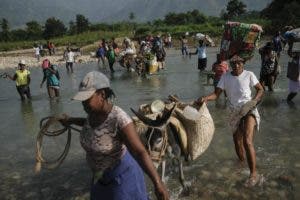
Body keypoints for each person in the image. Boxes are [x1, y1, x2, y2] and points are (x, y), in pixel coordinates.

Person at [59, 71, 169, 200]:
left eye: (87, 99)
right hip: (99, 179)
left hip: (122, 179)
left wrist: (158, 184)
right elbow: (92, 126)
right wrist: (70, 120)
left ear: (102, 94)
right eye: (82, 100)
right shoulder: (92, 114)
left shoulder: (119, 118)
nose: (83, 103)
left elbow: (140, 152)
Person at [197, 55, 264, 187]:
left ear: (243, 63)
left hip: (248, 108)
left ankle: (253, 174)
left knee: (247, 140)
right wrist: (205, 98)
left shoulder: (249, 74)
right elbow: (216, 94)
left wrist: (254, 101)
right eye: (234, 63)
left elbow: (260, 89)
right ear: (230, 64)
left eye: (239, 63)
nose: (236, 65)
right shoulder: (225, 77)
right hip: (234, 111)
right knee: (237, 143)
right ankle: (242, 164)